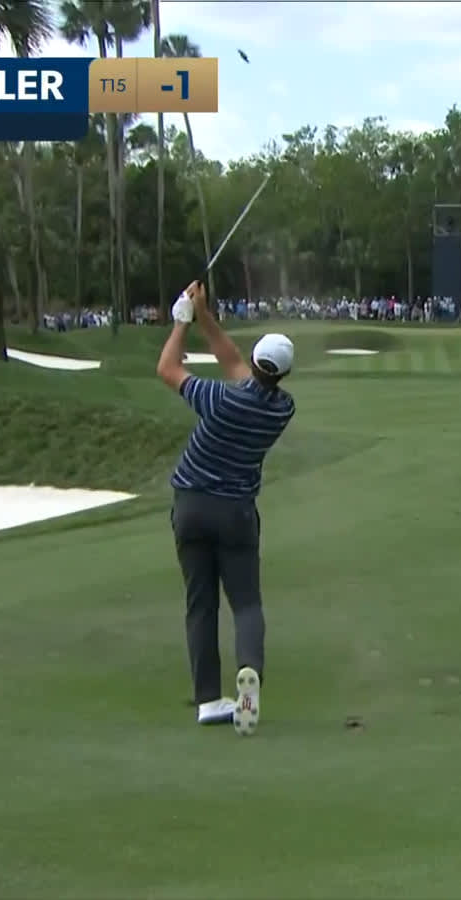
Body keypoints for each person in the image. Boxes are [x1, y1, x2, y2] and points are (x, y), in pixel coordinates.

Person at [155, 280, 297, 735]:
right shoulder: (281, 408)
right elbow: (233, 362)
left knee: (200, 605)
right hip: (236, 513)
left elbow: (167, 368)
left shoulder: (218, 399)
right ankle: (249, 672)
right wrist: (204, 312)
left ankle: (207, 701)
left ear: (256, 362)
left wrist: (182, 321)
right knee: (247, 603)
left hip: (192, 506)